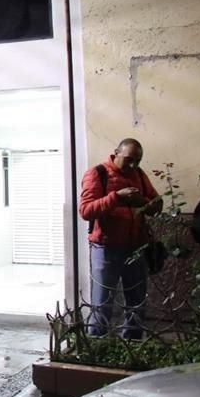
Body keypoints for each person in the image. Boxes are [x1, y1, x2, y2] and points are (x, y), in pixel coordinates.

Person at [79, 138, 162, 339]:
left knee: (136, 303)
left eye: (137, 161)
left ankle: (132, 345)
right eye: (129, 159)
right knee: (102, 303)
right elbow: (86, 210)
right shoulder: (97, 173)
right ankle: (97, 346)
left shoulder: (139, 175)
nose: (133, 165)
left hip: (136, 248)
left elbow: (157, 204)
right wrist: (117, 197)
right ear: (116, 152)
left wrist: (141, 202)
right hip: (106, 249)